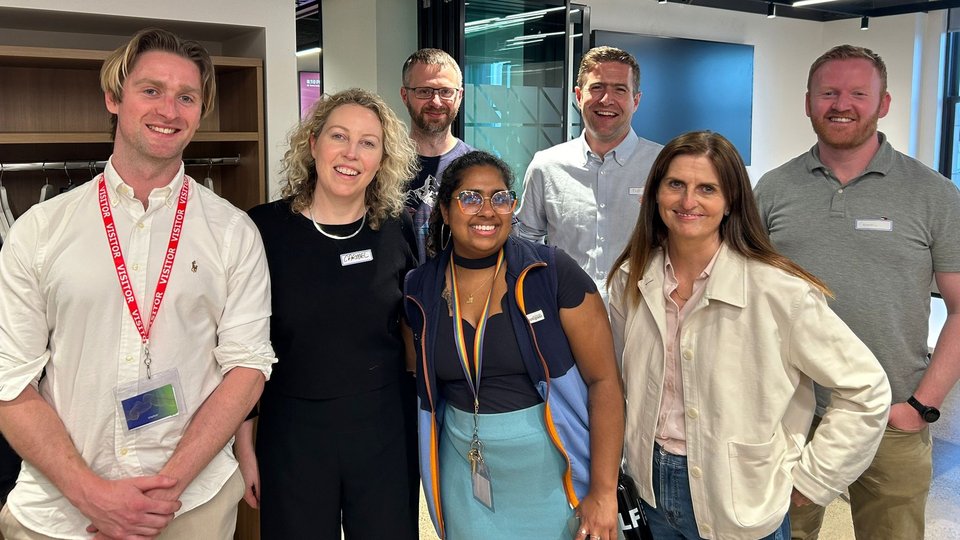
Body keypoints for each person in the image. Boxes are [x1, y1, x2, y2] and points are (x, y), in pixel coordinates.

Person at [0, 28, 276, 539]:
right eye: (151, 90)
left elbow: (248, 367)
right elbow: (9, 382)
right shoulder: (38, 231)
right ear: (113, 97)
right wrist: (93, 496)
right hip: (62, 515)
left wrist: (160, 496)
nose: (169, 110)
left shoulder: (233, 232)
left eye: (186, 97)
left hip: (191, 506)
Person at [608, 131, 891, 540]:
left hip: (739, 495)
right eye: (676, 185)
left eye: (707, 188)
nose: (688, 202)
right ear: (654, 194)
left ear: (731, 203)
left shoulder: (780, 291)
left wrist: (811, 481)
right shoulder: (630, 279)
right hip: (647, 486)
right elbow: (617, 382)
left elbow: (866, 388)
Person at [755, 45, 960, 540]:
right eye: (828, 93)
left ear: (883, 103)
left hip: (891, 416)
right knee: (782, 532)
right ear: (807, 103)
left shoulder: (933, 194)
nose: (840, 104)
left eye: (857, 94)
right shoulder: (773, 190)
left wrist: (922, 406)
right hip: (791, 413)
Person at [404, 150, 625, 540]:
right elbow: (417, 384)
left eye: (501, 198)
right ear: (445, 208)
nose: (488, 211)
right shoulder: (419, 289)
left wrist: (605, 493)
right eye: (471, 197)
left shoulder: (551, 274)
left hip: (556, 481)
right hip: (466, 480)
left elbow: (605, 382)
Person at [242, 88, 420, 539]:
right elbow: (238, 343)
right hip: (292, 429)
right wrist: (244, 444)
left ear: (382, 159)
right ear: (313, 142)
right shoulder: (261, 229)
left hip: (384, 424)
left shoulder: (397, 228)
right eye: (339, 136)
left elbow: (412, 330)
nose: (351, 153)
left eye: (368, 142)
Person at [515, 46, 662, 297]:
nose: (607, 99)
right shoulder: (546, 166)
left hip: (644, 316)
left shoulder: (663, 165)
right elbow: (525, 244)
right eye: (597, 87)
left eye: (620, 89)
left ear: (636, 101)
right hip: (566, 316)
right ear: (578, 96)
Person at [401, 48, 474, 263]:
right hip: (394, 294)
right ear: (405, 95)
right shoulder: (380, 165)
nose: (436, 101)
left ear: (459, 96)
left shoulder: (479, 168)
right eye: (424, 91)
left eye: (445, 91)